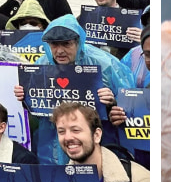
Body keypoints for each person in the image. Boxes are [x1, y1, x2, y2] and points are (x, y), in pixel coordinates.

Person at [13, 15, 129, 165]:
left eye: (66, 44)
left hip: (97, 143)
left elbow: (129, 103)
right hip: (51, 144)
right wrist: (24, 98)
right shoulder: (41, 65)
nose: (59, 51)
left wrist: (113, 102)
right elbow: (36, 110)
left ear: (78, 42)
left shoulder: (105, 64)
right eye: (54, 44)